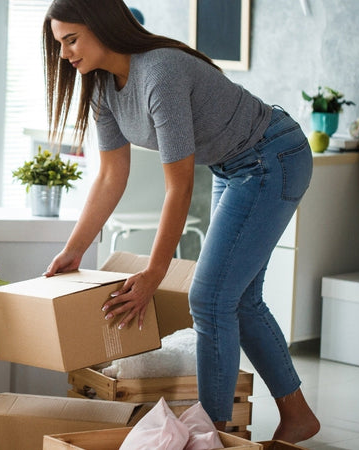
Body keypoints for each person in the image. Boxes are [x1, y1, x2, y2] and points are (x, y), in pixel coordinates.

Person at [40, 0, 320, 443]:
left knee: (210, 299)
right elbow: (112, 175)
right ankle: (297, 415)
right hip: (234, 166)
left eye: (71, 39)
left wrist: (154, 273)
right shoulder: (101, 88)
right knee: (237, 301)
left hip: (272, 157)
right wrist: (74, 249)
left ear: (102, 26)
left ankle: (212, 435)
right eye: (59, 44)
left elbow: (180, 186)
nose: (65, 54)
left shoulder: (160, 73)